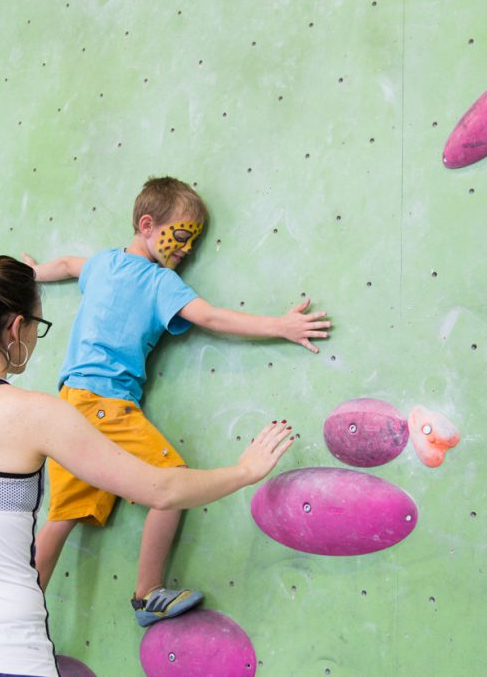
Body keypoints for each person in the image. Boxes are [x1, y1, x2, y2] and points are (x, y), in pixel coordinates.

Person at [0, 253, 295, 677]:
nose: (35, 337)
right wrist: (245, 471)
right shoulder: (32, 413)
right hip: (3, 657)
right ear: (15, 328)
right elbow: (161, 490)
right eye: (37, 326)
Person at [23, 176, 332, 627]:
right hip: (106, 404)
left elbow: (70, 264)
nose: (186, 250)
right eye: (182, 237)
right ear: (147, 225)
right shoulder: (158, 281)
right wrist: (279, 326)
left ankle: (17, 610)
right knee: (173, 481)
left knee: (62, 514)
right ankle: (147, 593)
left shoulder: (105, 264)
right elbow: (209, 316)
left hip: (69, 405)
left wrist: (33, 273)